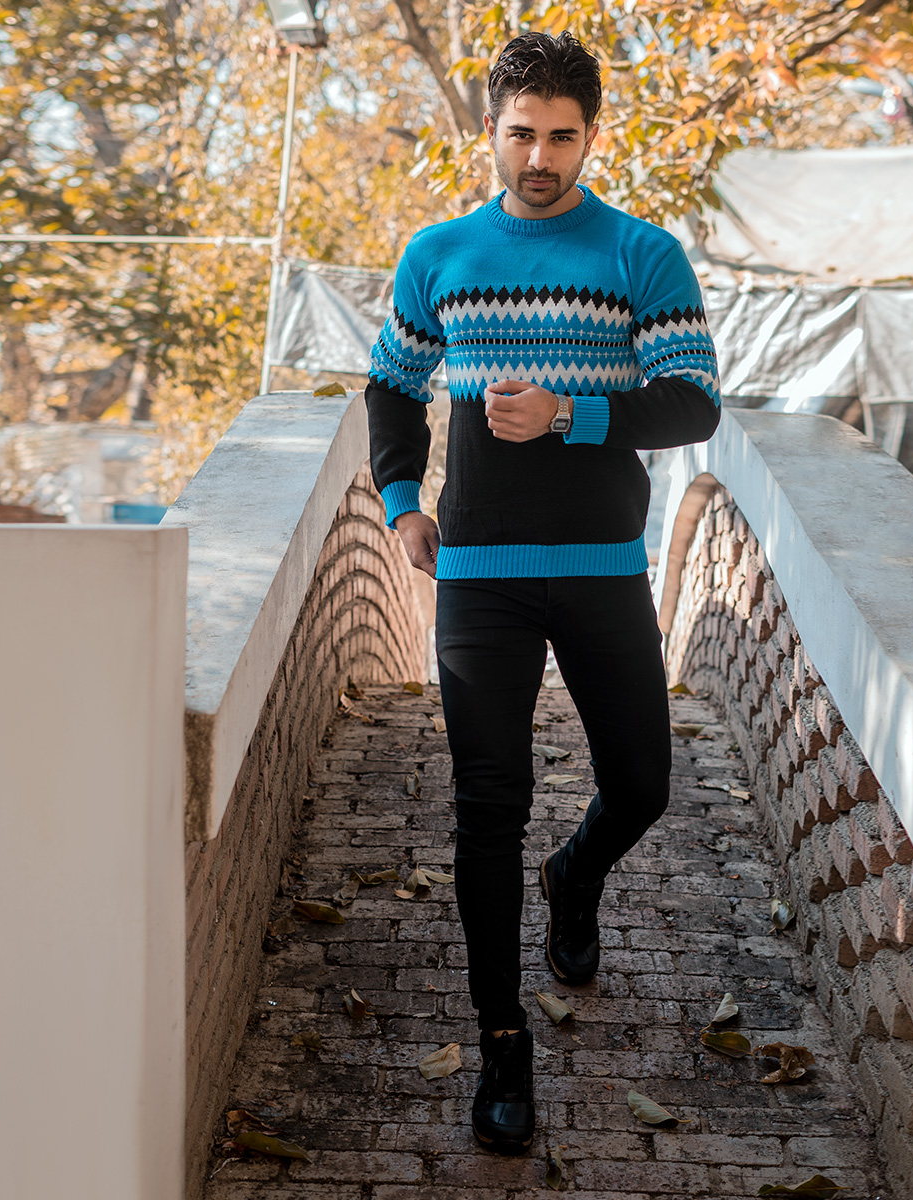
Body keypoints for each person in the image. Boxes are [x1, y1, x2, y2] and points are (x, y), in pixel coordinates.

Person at [365, 30, 722, 1154]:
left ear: (591, 135)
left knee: (643, 786)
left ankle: (577, 875)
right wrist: (401, 501)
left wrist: (571, 412)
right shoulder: (439, 255)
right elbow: (391, 384)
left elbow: (694, 401)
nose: (540, 157)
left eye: (562, 137)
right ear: (492, 129)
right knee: (488, 807)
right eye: (522, 133)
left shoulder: (641, 254)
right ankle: (503, 1044)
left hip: (605, 567)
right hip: (478, 575)